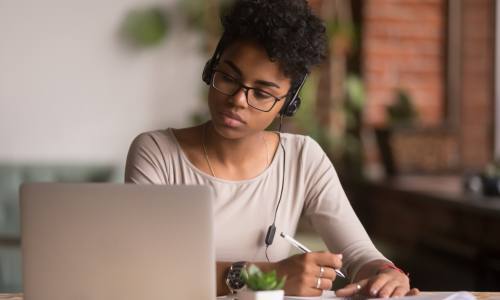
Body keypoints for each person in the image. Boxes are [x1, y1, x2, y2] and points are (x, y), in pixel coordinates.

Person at [125, 0, 419, 297]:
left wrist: (387, 275)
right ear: (210, 70)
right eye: (228, 77)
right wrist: (267, 274)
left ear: (288, 104)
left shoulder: (304, 158)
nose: (238, 99)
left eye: (263, 93)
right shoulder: (156, 152)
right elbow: (146, 270)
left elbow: (358, 254)